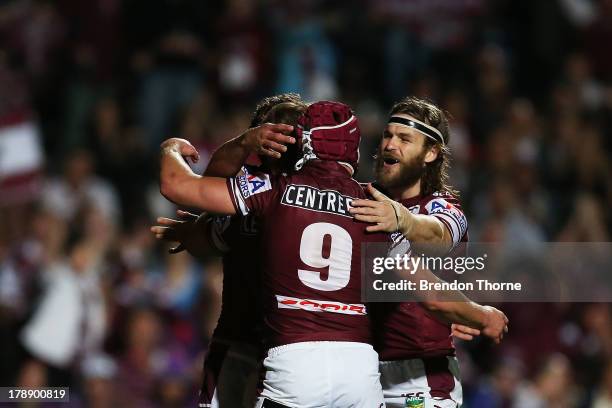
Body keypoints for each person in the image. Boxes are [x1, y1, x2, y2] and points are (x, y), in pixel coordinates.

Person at [159, 100, 387, 407]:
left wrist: (171, 147)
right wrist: (460, 305)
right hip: (281, 351)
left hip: (286, 357)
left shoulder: (266, 191)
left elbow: (187, 200)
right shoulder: (368, 200)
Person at [349, 96, 508, 407]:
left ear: (431, 153)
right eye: (387, 135)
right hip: (355, 372)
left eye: (404, 138)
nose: (390, 145)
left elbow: (437, 235)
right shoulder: (361, 199)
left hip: (419, 379)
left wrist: (402, 219)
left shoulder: (444, 209)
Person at [153, 93, 305, 408]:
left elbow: (175, 185)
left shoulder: (255, 198)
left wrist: (170, 146)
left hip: (258, 348)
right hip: (311, 357)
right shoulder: (346, 198)